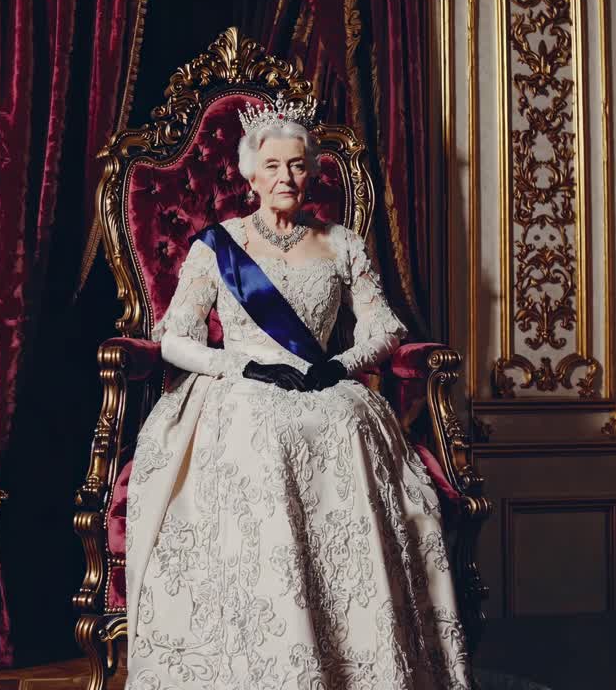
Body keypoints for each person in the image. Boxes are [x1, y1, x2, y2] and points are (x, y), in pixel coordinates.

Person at [125, 93, 471, 689]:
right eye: (274, 166)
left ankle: (351, 652)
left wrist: (341, 366)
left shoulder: (340, 242)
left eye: (298, 165)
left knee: (345, 423)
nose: (287, 177)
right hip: (238, 386)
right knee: (262, 428)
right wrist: (240, 368)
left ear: (312, 170)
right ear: (249, 174)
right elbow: (176, 339)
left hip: (322, 381)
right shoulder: (217, 247)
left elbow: (385, 326)